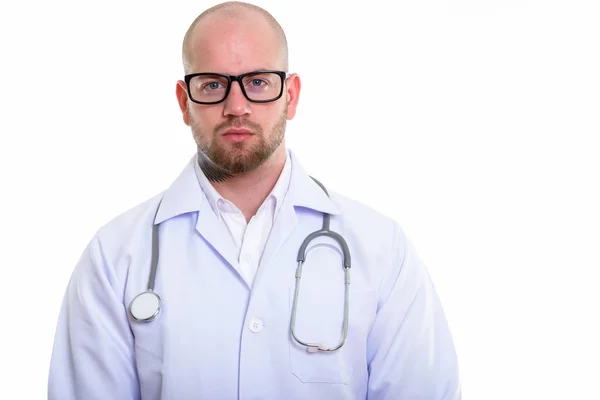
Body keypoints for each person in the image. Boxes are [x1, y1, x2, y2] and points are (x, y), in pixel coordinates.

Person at [48, 2, 461, 399]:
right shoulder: (115, 255)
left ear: (291, 95)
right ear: (183, 102)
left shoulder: (381, 248)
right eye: (212, 85)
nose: (236, 106)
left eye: (258, 82)